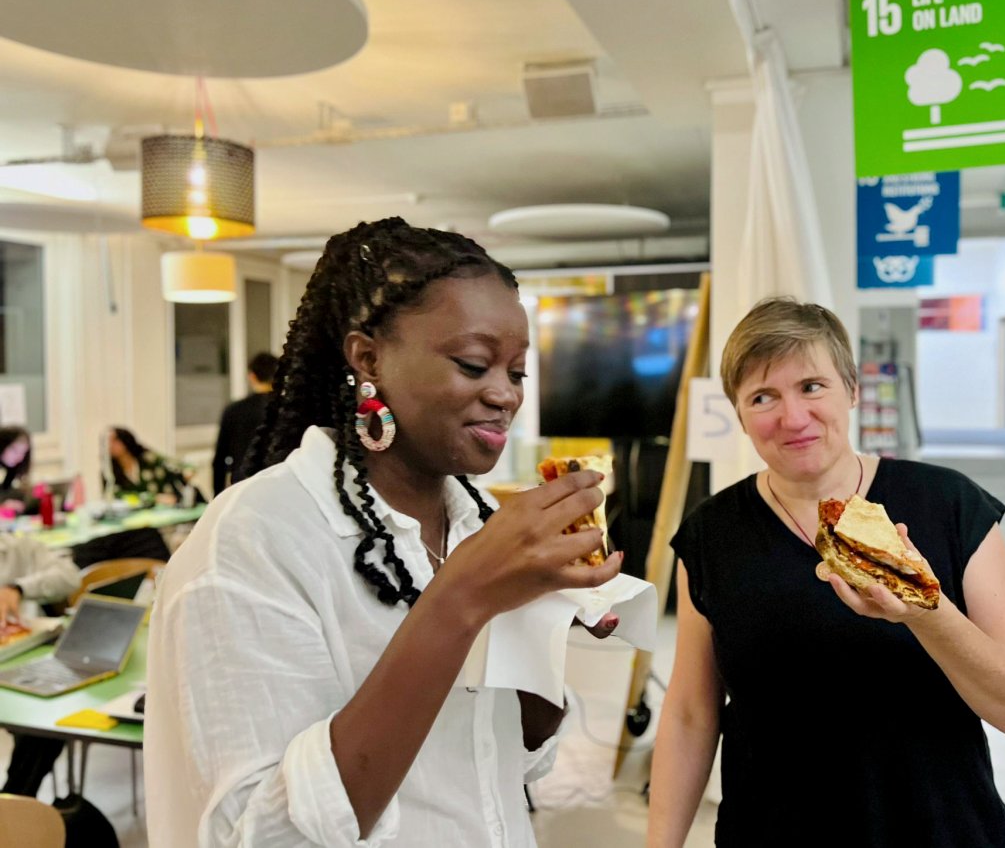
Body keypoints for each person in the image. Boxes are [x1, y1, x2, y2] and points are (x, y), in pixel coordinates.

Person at [145, 217, 623, 847]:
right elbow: (265, 836)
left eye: (517, 372)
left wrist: (537, 626)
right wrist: (462, 599)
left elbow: (517, 761)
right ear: (368, 358)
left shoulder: (474, 520)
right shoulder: (253, 540)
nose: (504, 395)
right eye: (474, 364)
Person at [646, 298, 1005, 847]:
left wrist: (923, 608)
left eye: (812, 386)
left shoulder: (947, 505)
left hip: (940, 832)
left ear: (852, 390)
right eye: (763, 397)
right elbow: (689, 715)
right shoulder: (711, 533)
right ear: (740, 414)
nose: (792, 417)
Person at [1, 532, 82, 797]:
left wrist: (19, 588)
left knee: (46, 719)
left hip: (17, 663)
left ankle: (15, 804)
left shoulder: (17, 547)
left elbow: (70, 576)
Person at [211, 351, 278, 495]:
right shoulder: (287, 409)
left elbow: (220, 459)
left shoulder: (234, 411)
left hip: (242, 486)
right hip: (276, 484)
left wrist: (217, 497)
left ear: (252, 376)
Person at [105, 426, 201, 504]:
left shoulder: (149, 459)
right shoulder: (109, 470)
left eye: (114, 440)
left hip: (164, 511)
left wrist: (185, 475)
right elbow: (117, 495)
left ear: (124, 441)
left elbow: (182, 465)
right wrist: (153, 498)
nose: (110, 445)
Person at [0, 426, 33, 511]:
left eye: (23, 453)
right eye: (15, 450)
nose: (20, 457)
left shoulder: (10, 472)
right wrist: (2, 506)